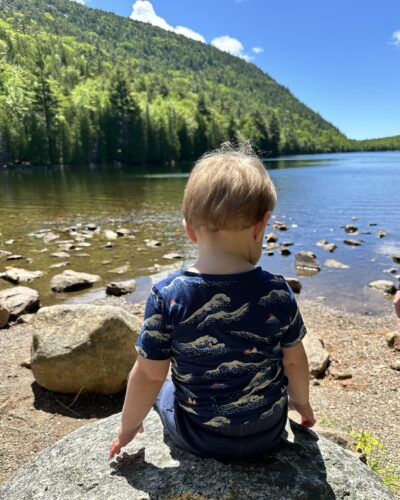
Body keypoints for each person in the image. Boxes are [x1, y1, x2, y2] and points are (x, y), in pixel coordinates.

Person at [109, 141, 316, 462]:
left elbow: (149, 374)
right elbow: (294, 361)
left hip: (199, 435)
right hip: (268, 431)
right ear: (262, 225)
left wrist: (127, 427)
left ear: (189, 231)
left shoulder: (167, 295)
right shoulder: (278, 291)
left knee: (162, 390)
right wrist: (300, 403)